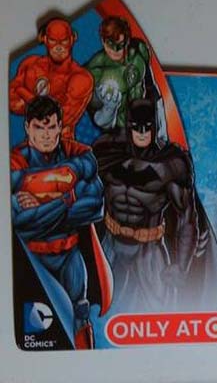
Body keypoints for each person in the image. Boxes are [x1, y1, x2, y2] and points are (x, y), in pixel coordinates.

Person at [10, 96, 112, 349]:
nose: (46, 135)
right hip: (35, 260)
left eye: (52, 127)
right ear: (28, 128)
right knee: (37, 328)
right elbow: (23, 222)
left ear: (60, 127)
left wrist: (41, 201)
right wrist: (67, 198)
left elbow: (95, 206)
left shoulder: (76, 153)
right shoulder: (14, 161)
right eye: (39, 127)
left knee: (80, 312)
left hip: (69, 254)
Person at [93, 99, 207, 311]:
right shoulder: (107, 151)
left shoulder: (170, 163)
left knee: (161, 310)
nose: (143, 132)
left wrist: (182, 266)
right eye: (137, 127)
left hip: (148, 249)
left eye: (148, 127)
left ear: (156, 126)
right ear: (128, 125)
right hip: (111, 243)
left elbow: (186, 217)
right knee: (104, 307)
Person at [9, 18, 93, 140]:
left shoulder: (81, 78)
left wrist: (22, 91)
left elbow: (56, 120)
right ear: (45, 39)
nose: (58, 47)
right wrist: (44, 106)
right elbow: (12, 104)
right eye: (53, 41)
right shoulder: (31, 64)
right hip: (30, 142)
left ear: (72, 39)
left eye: (64, 41)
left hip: (61, 145)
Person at [86, 16, 166, 141]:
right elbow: (97, 113)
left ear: (127, 41)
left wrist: (160, 126)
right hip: (119, 127)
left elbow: (151, 85)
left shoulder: (140, 50)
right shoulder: (96, 67)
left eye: (120, 45)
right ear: (103, 41)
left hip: (146, 114)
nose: (115, 50)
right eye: (110, 44)